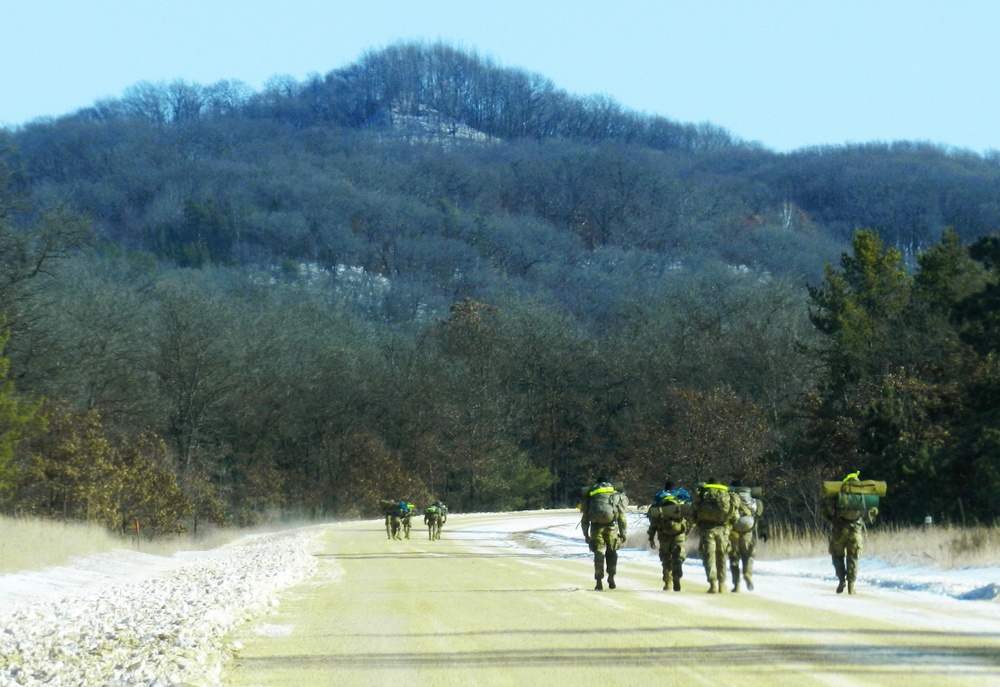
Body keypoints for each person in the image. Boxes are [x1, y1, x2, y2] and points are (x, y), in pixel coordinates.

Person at [823, 471, 880, 595]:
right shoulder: (864, 496)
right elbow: (873, 512)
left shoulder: (838, 494)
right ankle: (851, 587)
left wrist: (833, 519)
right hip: (855, 530)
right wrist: (862, 520)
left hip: (838, 530)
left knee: (837, 556)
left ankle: (841, 580)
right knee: (853, 558)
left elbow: (824, 510)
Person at [692, 478, 739, 593]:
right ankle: (722, 584)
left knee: (709, 557)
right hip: (723, 530)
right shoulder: (726, 494)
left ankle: (713, 584)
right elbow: (735, 516)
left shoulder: (703, 494)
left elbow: (694, 512)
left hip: (707, 530)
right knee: (722, 557)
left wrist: (697, 525)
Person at [580, 477, 628, 591]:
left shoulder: (592, 496)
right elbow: (621, 516)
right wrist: (623, 533)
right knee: (612, 553)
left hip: (596, 529)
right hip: (611, 527)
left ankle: (598, 581)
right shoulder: (614, 494)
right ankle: (611, 576)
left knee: (598, 553)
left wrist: (586, 534)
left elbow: (585, 519)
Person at [647, 480, 691, 591]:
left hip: (663, 532)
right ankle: (677, 575)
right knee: (678, 556)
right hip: (679, 532)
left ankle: (668, 582)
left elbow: (654, 521)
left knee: (666, 557)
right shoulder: (680, 498)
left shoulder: (660, 500)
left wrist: (651, 537)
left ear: (665, 488)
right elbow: (689, 516)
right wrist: (688, 530)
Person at [728, 479, 763, 592]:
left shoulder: (730, 496)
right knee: (747, 554)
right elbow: (759, 513)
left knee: (734, 556)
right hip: (748, 527)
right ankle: (747, 574)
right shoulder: (751, 499)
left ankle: (736, 584)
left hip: (734, 529)